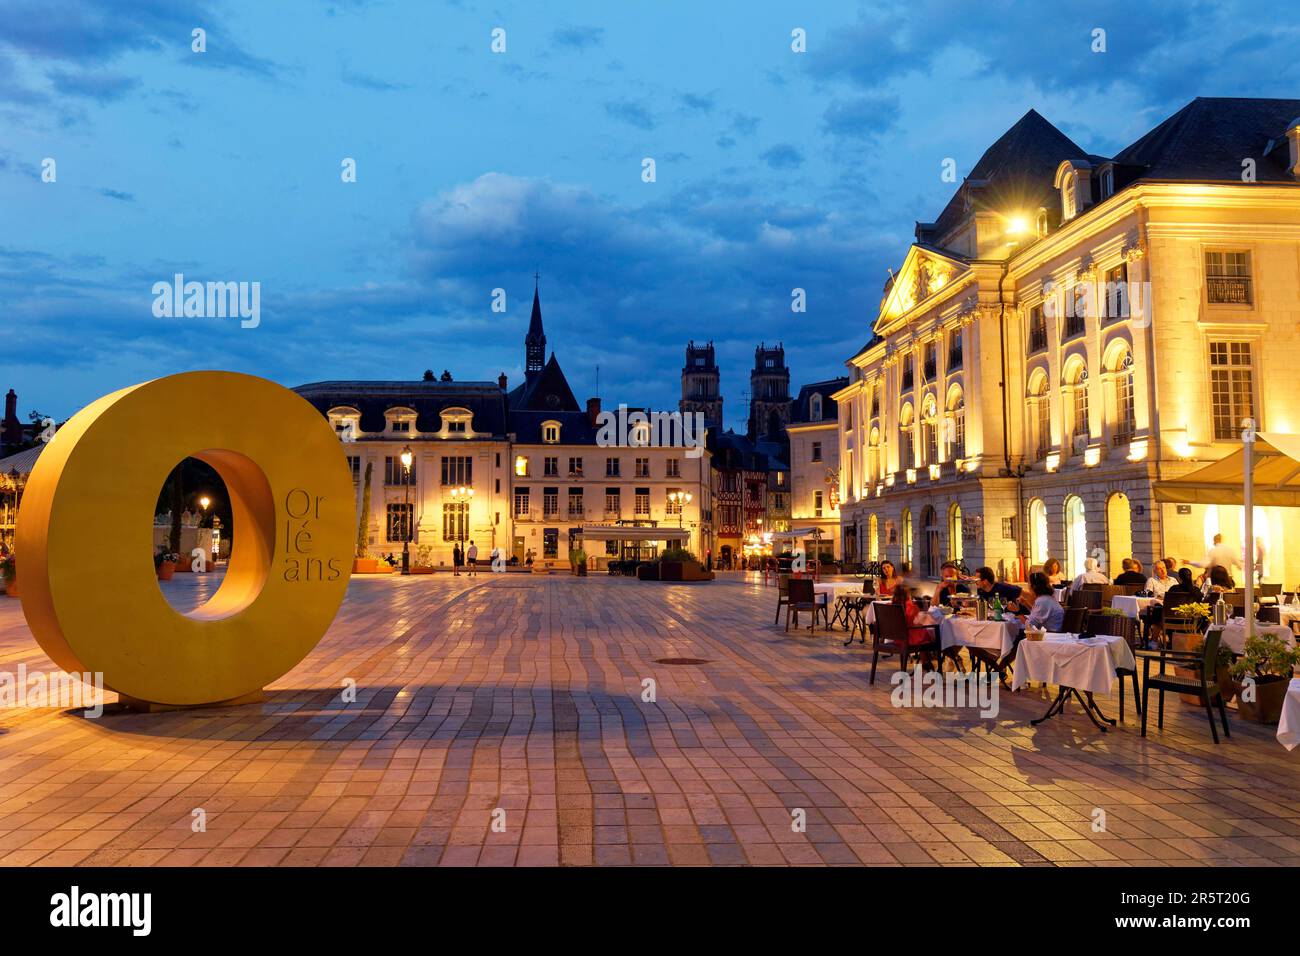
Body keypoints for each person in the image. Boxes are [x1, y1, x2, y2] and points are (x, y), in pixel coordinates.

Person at [890, 585, 937, 667]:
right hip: (909, 639)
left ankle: (925, 661)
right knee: (928, 633)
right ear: (908, 595)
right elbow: (917, 620)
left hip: (897, 639)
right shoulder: (911, 606)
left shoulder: (892, 606)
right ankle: (927, 660)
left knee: (922, 633)